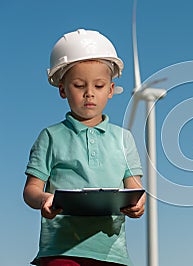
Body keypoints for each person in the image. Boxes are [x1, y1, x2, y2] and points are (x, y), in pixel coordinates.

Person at [23, 29, 145, 266]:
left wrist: (138, 205)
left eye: (99, 86)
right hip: (61, 250)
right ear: (62, 89)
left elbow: (135, 188)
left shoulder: (124, 138)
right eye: (79, 85)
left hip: (111, 253)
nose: (89, 93)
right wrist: (44, 200)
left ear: (110, 90)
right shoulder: (50, 136)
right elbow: (31, 190)